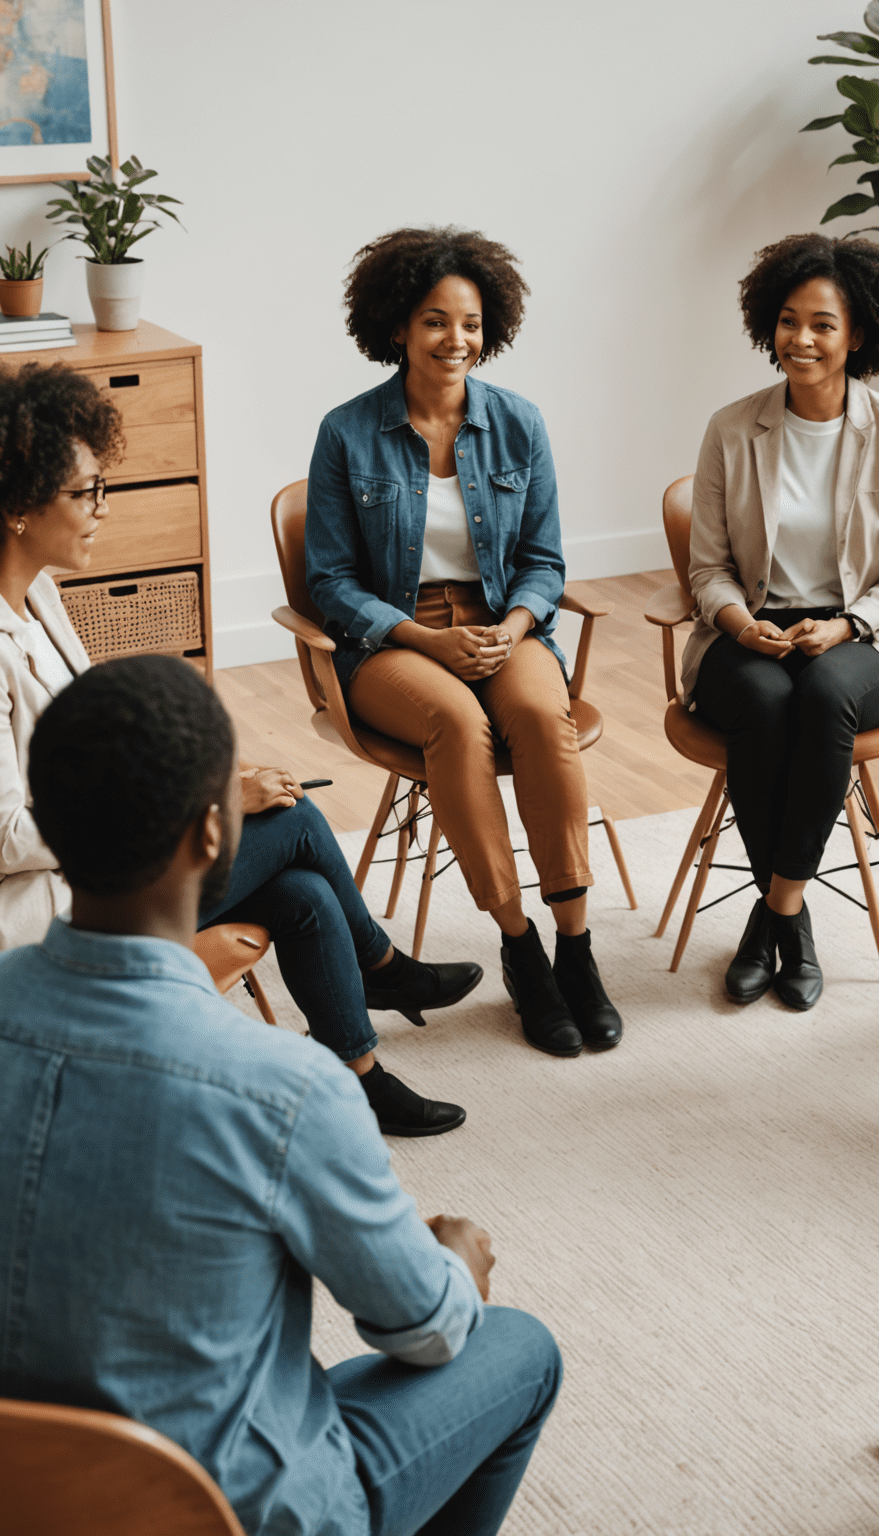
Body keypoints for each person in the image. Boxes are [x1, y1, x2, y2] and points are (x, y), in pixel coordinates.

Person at [0, 656, 561, 1536]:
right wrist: (455, 1271)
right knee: (517, 1348)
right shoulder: (284, 1087)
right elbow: (418, 1333)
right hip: (203, 1512)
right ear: (214, 834)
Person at [0, 362, 475, 1137]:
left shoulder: (30, 592)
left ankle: (358, 1072)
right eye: (84, 493)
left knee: (302, 894)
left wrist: (203, 779)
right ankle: (382, 969)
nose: (100, 510)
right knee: (291, 825)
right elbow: (5, 839)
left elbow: (89, 742)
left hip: (44, 869)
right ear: (15, 508)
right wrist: (195, 805)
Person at [306, 226, 621, 1059]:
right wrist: (425, 640)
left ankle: (576, 949)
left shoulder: (519, 423)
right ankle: (520, 946)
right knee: (461, 725)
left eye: (471, 323)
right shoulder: (348, 433)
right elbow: (331, 582)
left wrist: (512, 627)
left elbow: (545, 560)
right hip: (393, 642)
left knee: (542, 719)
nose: (457, 340)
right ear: (398, 329)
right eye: (436, 322)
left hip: (502, 623)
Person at [682, 232, 879, 1012]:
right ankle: (787, 918)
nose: (801, 340)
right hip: (752, 628)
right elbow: (707, 567)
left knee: (824, 696)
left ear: (859, 333)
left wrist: (849, 625)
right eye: (789, 321)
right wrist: (734, 621)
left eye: (823, 324)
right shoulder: (733, 428)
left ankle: (778, 915)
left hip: (864, 637)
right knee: (765, 701)